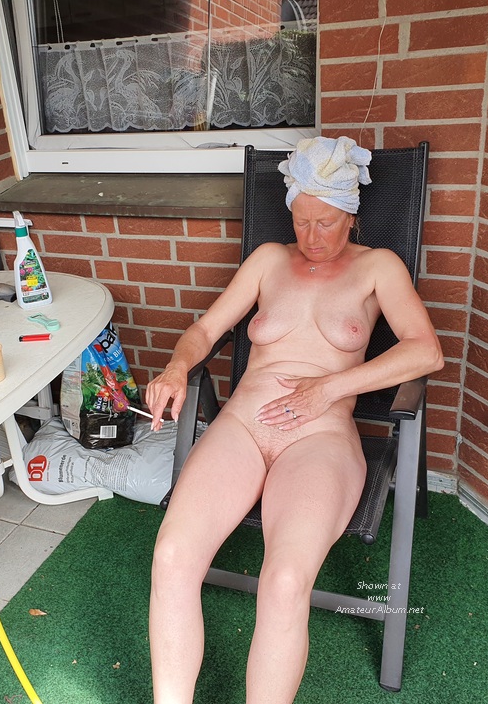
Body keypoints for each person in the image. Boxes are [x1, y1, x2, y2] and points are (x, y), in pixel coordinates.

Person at [144, 136, 444, 704]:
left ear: (351, 215)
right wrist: (177, 368)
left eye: (325, 223)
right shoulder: (268, 261)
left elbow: (425, 351)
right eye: (301, 222)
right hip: (242, 426)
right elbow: (205, 330)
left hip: (319, 436)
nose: (311, 237)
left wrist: (328, 388)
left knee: (283, 583)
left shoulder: (378, 267)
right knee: (171, 559)